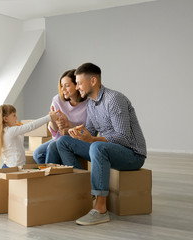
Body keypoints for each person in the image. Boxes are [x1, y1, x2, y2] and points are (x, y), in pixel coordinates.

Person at [56, 63, 146, 225]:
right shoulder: (91, 103)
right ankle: (83, 194)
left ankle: (100, 209)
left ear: (93, 81)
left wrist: (92, 140)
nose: (77, 87)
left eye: (79, 83)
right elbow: (89, 132)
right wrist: (73, 132)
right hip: (108, 149)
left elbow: (123, 138)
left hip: (132, 154)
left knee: (97, 146)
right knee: (63, 142)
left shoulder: (114, 99)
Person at [33, 69, 87, 164]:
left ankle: (51, 177)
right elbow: (54, 131)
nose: (63, 89)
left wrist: (68, 125)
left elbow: (89, 130)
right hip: (59, 138)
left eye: (67, 85)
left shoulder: (88, 104)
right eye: (62, 86)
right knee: (38, 153)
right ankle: (54, 174)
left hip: (78, 140)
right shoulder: (57, 100)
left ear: (77, 85)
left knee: (52, 147)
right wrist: (54, 121)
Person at [0, 104, 58, 169]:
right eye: (14, 115)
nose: (16, 118)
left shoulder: (5, 131)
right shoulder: (11, 131)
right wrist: (49, 117)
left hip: (10, 166)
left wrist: (19, 129)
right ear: (5, 119)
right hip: (13, 168)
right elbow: (31, 126)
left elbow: (18, 143)